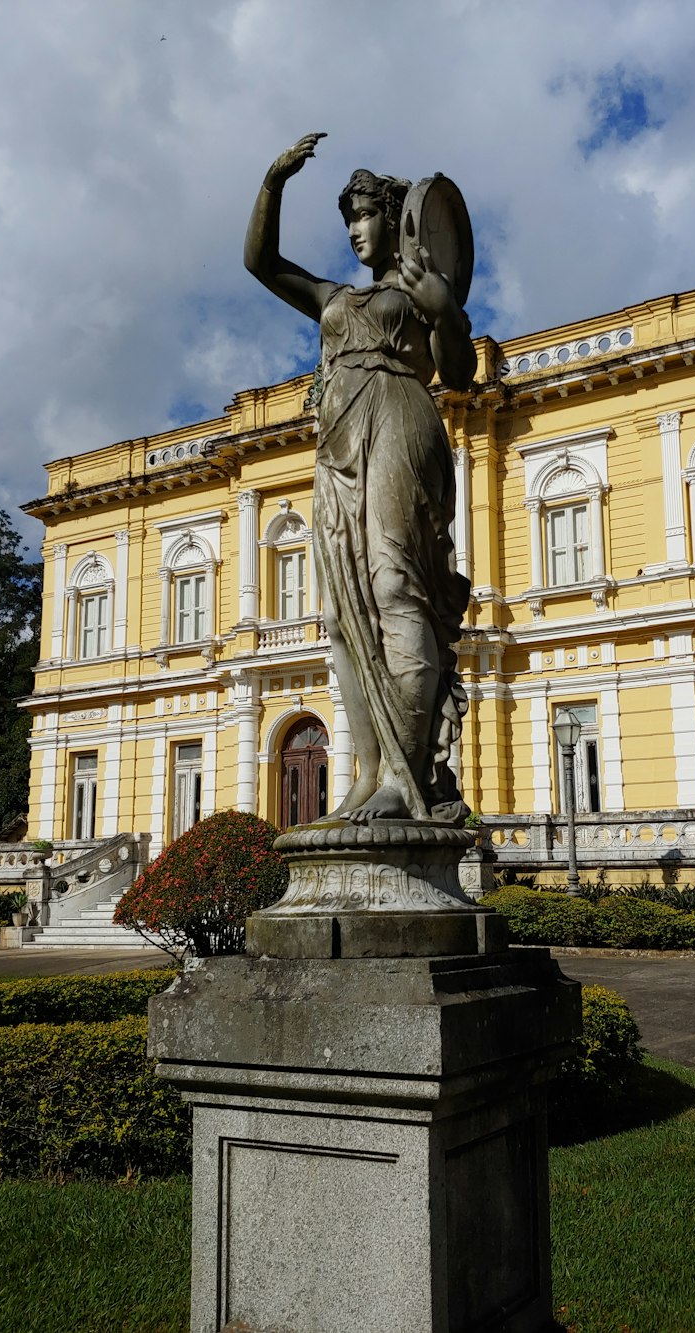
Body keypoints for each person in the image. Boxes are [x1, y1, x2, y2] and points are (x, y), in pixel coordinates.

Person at [244, 132, 476, 824]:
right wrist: (272, 182)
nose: (354, 230)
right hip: (337, 446)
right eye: (348, 219)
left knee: (394, 587)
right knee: (346, 620)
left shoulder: (418, 291)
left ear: (397, 220)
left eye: (366, 215)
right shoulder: (333, 297)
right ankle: (372, 771)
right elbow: (258, 261)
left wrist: (445, 310)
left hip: (398, 424)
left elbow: (458, 374)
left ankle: (408, 779)